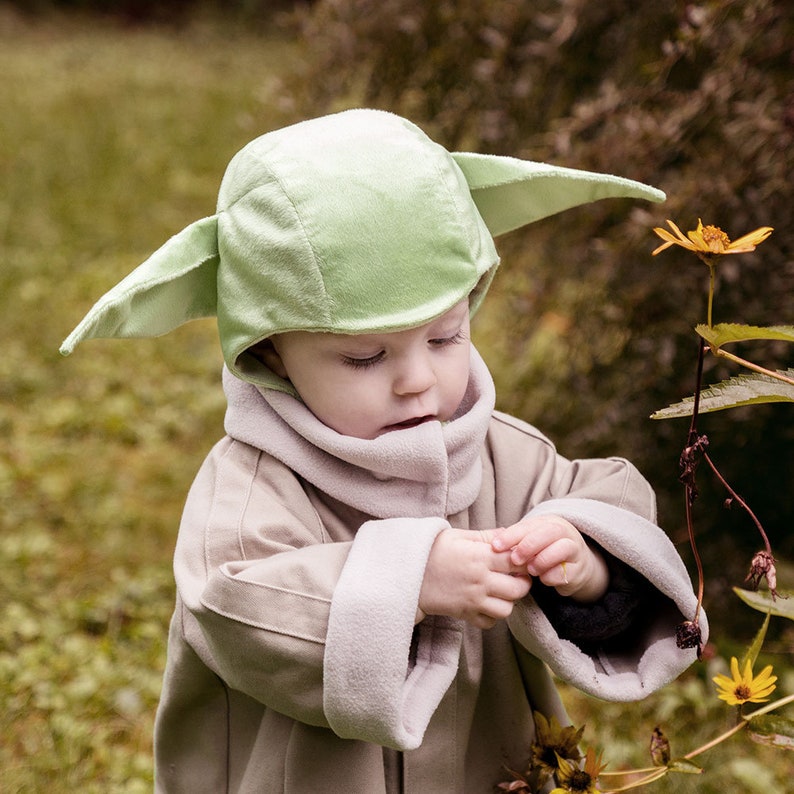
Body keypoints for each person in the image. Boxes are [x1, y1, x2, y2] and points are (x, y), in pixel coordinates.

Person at [61, 109, 706, 793]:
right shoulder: (254, 485)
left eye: (445, 336)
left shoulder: (499, 454)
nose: (417, 379)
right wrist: (406, 582)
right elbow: (235, 610)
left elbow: (608, 500)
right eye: (365, 356)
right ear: (270, 352)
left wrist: (586, 560)